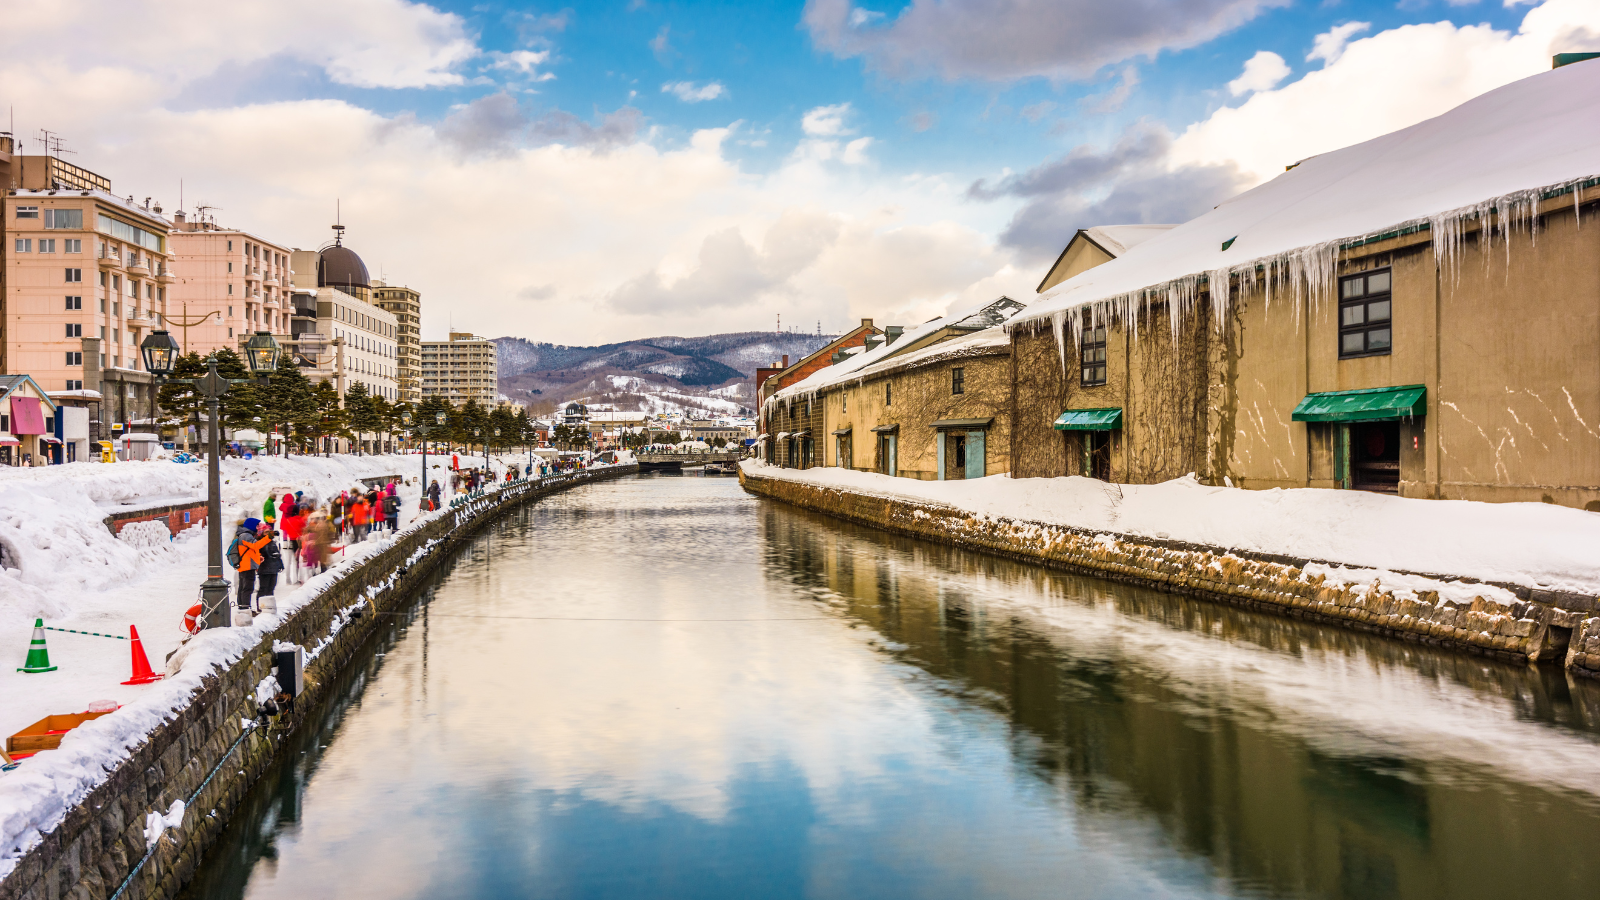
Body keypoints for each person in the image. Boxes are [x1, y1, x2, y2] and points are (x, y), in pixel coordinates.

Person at [226, 517, 271, 610]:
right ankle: (245, 610)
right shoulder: (246, 535)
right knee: (247, 589)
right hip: (247, 567)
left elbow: (249, 552)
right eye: (257, 525)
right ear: (252, 525)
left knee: (243, 588)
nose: (258, 527)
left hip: (246, 565)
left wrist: (258, 558)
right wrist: (269, 537)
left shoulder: (244, 535)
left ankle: (242, 608)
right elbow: (256, 545)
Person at [254, 520, 283, 609]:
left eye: (269, 532)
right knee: (263, 588)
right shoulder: (259, 543)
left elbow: (277, 554)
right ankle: (261, 606)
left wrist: (280, 564)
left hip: (273, 567)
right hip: (264, 568)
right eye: (266, 532)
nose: (268, 534)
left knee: (271, 588)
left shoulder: (273, 542)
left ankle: (269, 606)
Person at [280, 500, 307, 583]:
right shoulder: (300, 520)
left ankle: (288, 579)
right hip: (298, 542)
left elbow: (284, 530)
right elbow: (304, 529)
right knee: (297, 561)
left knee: (288, 562)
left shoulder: (288, 520)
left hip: (288, 542)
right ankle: (297, 578)